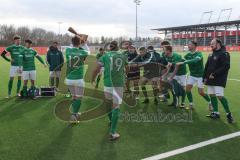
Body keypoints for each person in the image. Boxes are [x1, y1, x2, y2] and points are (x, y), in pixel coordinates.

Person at [92, 41, 128, 141]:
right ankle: (113, 132)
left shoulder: (105, 56)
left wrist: (92, 79)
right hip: (118, 84)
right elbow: (127, 68)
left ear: (110, 48)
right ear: (117, 47)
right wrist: (124, 76)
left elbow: (96, 69)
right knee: (116, 106)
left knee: (108, 104)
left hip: (108, 83)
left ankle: (111, 121)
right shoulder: (123, 55)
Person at [203, 38, 233, 123]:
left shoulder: (224, 54)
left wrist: (215, 74)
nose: (210, 45)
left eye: (212, 43)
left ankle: (229, 114)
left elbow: (226, 66)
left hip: (219, 79)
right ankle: (216, 112)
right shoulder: (211, 54)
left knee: (220, 96)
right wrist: (204, 77)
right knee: (212, 95)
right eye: (210, 43)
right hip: (210, 79)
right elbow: (206, 67)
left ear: (218, 44)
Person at [176, 41, 212, 110]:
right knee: (187, 89)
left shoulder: (199, 54)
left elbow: (195, 60)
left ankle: (210, 102)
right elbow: (182, 59)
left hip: (200, 76)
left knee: (201, 92)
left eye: (190, 44)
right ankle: (191, 104)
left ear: (194, 46)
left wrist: (184, 62)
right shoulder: (187, 55)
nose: (188, 46)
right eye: (188, 44)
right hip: (192, 75)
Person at [65, 35, 89, 123]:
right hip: (78, 79)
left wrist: (79, 41)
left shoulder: (67, 50)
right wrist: (83, 42)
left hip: (69, 79)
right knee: (79, 98)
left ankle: (75, 113)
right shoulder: (83, 52)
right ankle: (73, 115)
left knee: (74, 97)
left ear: (72, 42)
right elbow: (87, 52)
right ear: (79, 43)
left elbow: (72, 47)